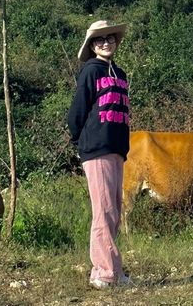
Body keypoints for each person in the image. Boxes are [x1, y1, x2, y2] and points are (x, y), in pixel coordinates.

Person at [68, 19, 132, 290]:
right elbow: (77, 111)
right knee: (103, 210)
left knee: (113, 211)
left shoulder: (120, 73)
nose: (106, 43)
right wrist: (78, 138)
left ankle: (112, 271)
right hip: (96, 148)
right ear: (92, 45)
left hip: (116, 149)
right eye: (99, 39)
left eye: (110, 38)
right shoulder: (90, 71)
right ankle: (104, 273)